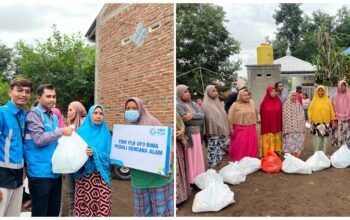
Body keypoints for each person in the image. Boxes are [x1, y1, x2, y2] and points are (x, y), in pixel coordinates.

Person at [24, 84, 73, 216]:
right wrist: (61, 131)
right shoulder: (34, 114)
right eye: (48, 96)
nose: (52, 99)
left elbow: (56, 141)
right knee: (40, 213)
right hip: (39, 174)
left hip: (55, 172)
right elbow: (39, 140)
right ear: (39, 97)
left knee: (53, 213)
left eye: (54, 96)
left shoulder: (53, 117)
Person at [124, 97, 174, 217]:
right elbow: (125, 151)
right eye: (128, 108)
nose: (131, 111)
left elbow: (169, 147)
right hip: (139, 180)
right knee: (142, 213)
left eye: (134, 108)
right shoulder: (126, 127)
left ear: (141, 109)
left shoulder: (152, 122)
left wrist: (168, 165)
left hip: (158, 179)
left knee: (160, 213)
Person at [0, 78, 32, 216]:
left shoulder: (24, 115)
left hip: (18, 177)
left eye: (27, 92)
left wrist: (24, 167)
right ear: (10, 92)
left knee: (13, 216)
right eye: (19, 90)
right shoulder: (2, 113)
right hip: (2, 176)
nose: (24, 94)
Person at [73, 105, 112, 217]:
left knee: (102, 206)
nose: (98, 116)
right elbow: (73, 153)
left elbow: (110, 156)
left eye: (101, 113)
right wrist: (84, 153)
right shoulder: (80, 132)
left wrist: (95, 152)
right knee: (84, 207)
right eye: (95, 113)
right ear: (90, 115)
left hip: (101, 176)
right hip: (84, 177)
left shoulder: (106, 133)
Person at [176, 85, 205, 184]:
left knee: (198, 157)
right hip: (189, 136)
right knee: (190, 158)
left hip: (197, 134)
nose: (188, 93)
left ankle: (199, 177)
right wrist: (197, 119)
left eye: (188, 91)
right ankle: (192, 180)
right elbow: (186, 122)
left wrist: (192, 115)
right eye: (185, 91)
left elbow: (202, 116)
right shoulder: (178, 105)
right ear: (179, 93)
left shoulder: (193, 104)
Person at [64, 101, 87, 216]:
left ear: (77, 111)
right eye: (68, 110)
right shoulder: (69, 125)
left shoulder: (85, 125)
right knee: (71, 193)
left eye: (71, 110)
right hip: (69, 164)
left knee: (82, 194)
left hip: (83, 166)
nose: (68, 113)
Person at [202, 85, 230, 168]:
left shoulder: (218, 103)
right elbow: (208, 119)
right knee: (213, 150)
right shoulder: (206, 105)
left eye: (216, 90)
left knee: (220, 149)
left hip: (221, 131)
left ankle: (218, 166)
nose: (216, 92)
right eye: (213, 91)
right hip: (212, 132)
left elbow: (223, 116)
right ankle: (211, 168)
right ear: (208, 93)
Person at [228, 89, 259, 161]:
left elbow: (255, 113)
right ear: (240, 96)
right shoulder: (235, 105)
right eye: (245, 95)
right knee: (240, 145)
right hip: (239, 128)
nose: (247, 96)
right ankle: (238, 159)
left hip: (251, 127)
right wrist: (230, 127)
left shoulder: (251, 103)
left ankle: (250, 160)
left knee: (251, 144)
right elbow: (230, 117)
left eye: (248, 95)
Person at [308, 85, 335, 153]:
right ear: (317, 91)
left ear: (324, 91)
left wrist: (333, 121)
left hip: (326, 123)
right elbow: (310, 110)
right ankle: (316, 152)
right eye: (319, 90)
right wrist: (309, 118)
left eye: (322, 90)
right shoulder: (313, 101)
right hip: (316, 122)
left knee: (325, 139)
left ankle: (324, 152)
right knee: (317, 139)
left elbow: (331, 111)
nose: (321, 92)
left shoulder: (328, 101)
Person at [259, 86, 283, 157]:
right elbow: (262, 114)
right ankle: (267, 153)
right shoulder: (264, 103)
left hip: (277, 125)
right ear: (268, 92)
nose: (274, 93)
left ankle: (276, 152)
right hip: (267, 126)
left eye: (275, 91)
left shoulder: (279, 102)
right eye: (272, 91)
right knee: (268, 137)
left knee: (276, 137)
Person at [282, 92, 305, 157]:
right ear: (289, 96)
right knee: (289, 143)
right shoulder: (286, 105)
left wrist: (300, 124)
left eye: (295, 96)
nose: (294, 97)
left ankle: (296, 158)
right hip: (289, 129)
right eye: (292, 96)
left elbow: (302, 116)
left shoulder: (298, 105)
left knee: (298, 143)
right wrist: (286, 126)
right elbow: (284, 117)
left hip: (298, 128)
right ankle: (290, 157)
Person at [176, 112, 190, 206]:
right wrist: (180, 136)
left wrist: (181, 133)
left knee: (181, 168)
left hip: (179, 143)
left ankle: (182, 195)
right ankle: (176, 199)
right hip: (174, 143)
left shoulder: (175, 112)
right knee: (176, 170)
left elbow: (181, 123)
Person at [332, 80, 350, 148]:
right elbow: (332, 108)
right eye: (341, 86)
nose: (343, 87)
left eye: (344, 86)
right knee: (339, 136)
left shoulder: (349, 95)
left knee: (347, 136)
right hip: (338, 120)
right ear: (339, 86)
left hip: (348, 120)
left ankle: (347, 152)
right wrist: (333, 120)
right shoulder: (335, 96)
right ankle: (340, 152)